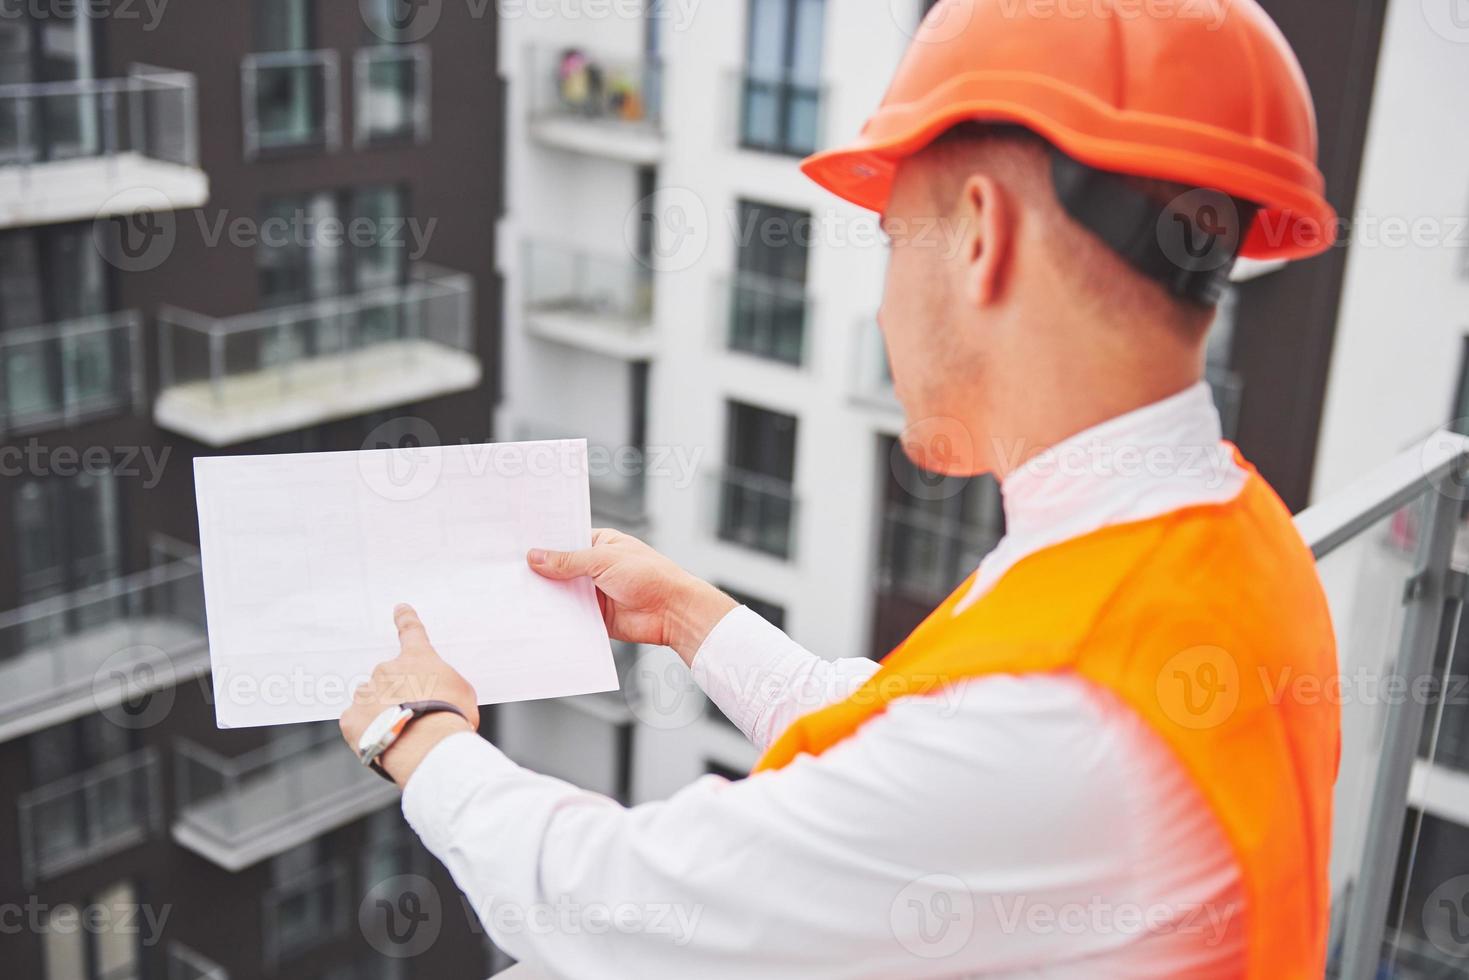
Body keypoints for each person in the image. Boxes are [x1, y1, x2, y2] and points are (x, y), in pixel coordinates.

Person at [340, 0, 1340, 975]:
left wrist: (419, 732)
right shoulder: (1219, 533)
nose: (884, 302)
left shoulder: (1063, 699)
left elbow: (632, 910)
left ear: (980, 237)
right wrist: (693, 616)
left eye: (894, 239)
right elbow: (911, 750)